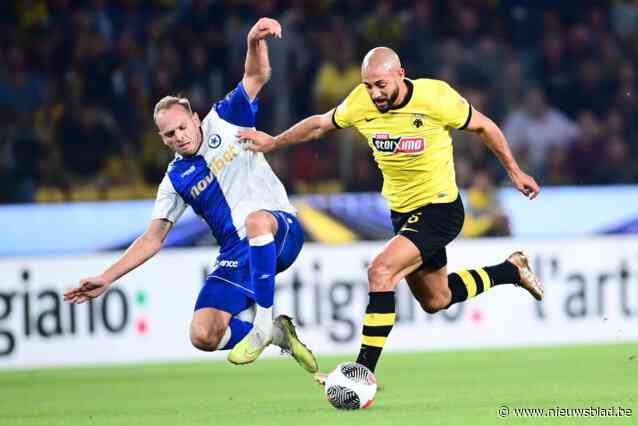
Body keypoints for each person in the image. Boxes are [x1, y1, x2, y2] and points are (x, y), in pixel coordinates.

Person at [238, 47, 543, 382]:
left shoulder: (435, 97)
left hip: (440, 209)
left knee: (381, 271)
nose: (375, 93)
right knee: (436, 298)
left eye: (380, 84)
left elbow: (485, 126)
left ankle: (362, 372)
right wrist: (273, 142)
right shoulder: (361, 102)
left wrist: (514, 171)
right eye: (368, 85)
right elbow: (319, 126)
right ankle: (510, 270)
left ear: (401, 74)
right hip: (402, 214)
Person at [63, 18, 318, 374]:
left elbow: (256, 77)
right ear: (162, 139)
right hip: (236, 253)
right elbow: (153, 238)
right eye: (169, 135)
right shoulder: (174, 180)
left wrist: (252, 42)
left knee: (256, 220)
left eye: (182, 127)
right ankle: (277, 334)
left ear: (196, 119)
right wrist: (107, 277)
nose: (179, 136)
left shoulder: (225, 120)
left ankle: (262, 323)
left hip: (280, 230)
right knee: (203, 334)